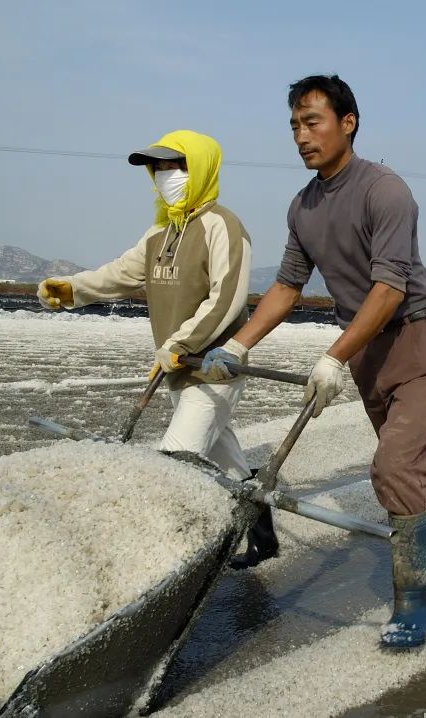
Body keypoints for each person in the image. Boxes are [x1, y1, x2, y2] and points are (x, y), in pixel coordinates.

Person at [201, 74, 426, 649]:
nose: (302, 136)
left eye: (313, 122)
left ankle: (413, 602)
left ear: (347, 123)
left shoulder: (385, 191)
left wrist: (332, 356)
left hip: (417, 341)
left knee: (391, 466)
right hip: (367, 354)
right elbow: (287, 286)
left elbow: (388, 289)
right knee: (420, 466)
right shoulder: (303, 207)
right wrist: (238, 345)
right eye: (294, 126)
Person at [35, 130, 276, 565]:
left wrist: (180, 342)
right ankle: (263, 532)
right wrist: (71, 289)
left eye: (176, 166)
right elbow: (121, 274)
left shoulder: (223, 226)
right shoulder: (160, 232)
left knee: (173, 461)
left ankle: (162, 562)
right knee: (226, 459)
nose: (166, 175)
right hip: (177, 369)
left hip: (214, 369)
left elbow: (227, 298)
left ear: (200, 168)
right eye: (159, 167)